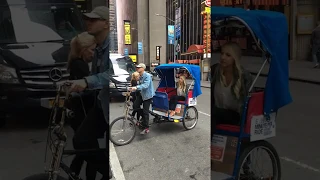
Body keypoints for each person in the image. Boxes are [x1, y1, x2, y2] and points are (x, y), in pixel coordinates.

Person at [68, 6, 110, 180]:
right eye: (87, 19)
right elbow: (95, 80)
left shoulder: (113, 46)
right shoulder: (99, 49)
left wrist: (86, 82)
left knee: (88, 143)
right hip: (101, 104)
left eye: (93, 20)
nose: (88, 22)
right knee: (81, 141)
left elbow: (116, 74)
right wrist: (72, 88)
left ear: (106, 23)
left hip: (112, 107)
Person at [65, 32, 97, 180]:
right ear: (83, 49)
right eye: (92, 49)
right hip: (83, 113)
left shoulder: (75, 63)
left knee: (83, 151)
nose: (93, 53)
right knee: (92, 152)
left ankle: (73, 176)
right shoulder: (80, 65)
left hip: (78, 113)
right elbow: (87, 89)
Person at [210, 42, 253, 138]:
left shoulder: (244, 76)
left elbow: (248, 100)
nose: (223, 57)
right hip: (217, 112)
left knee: (214, 113)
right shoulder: (215, 71)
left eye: (228, 55)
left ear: (235, 58)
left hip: (234, 116)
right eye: (222, 53)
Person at [129, 63, 155, 135]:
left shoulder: (147, 76)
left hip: (148, 96)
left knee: (145, 111)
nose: (137, 68)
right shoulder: (140, 76)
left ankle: (146, 128)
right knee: (135, 106)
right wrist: (132, 89)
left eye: (139, 67)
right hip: (142, 94)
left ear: (143, 68)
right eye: (137, 67)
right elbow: (138, 85)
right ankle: (143, 118)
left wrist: (136, 87)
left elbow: (145, 85)